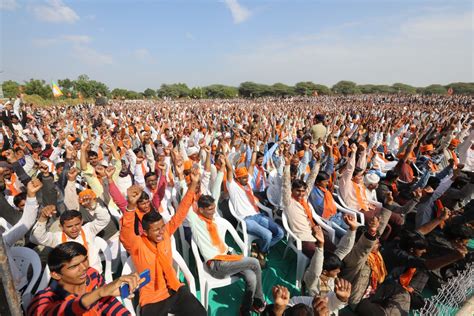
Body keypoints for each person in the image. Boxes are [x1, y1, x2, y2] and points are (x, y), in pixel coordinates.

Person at [119, 170, 206, 316]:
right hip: (152, 298)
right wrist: (131, 206)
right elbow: (126, 233)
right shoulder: (137, 245)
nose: (161, 232)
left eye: (161, 227)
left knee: (200, 313)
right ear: (145, 232)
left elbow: (181, 212)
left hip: (175, 289)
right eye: (156, 230)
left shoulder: (165, 233)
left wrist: (193, 184)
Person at [188, 194, 266, 315]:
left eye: (214, 208)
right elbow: (185, 204)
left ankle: (245, 309)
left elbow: (216, 189)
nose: (214, 211)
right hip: (217, 265)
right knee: (255, 262)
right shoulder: (196, 222)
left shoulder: (211, 220)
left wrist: (220, 174)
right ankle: (260, 301)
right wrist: (187, 182)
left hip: (228, 257)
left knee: (251, 277)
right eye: (210, 209)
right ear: (201, 210)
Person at [27, 242, 138, 315]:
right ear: (56, 274)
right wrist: (98, 293)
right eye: (74, 266)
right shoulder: (43, 299)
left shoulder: (92, 275)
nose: (84, 268)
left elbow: (107, 303)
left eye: (85, 260)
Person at [30, 190, 111, 273]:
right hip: (72, 280)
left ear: (82, 222)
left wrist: (94, 206)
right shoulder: (57, 238)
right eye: (69, 226)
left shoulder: (88, 230)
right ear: (61, 227)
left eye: (77, 224)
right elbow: (36, 238)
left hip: (94, 273)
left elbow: (104, 219)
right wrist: (43, 217)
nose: (74, 229)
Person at [226, 156, 284, 267]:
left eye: (246, 177)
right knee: (268, 235)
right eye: (243, 178)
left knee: (280, 233)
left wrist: (253, 150)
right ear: (237, 179)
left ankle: (260, 248)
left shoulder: (247, 184)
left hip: (258, 215)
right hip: (246, 219)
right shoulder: (233, 187)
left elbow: (252, 164)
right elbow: (229, 169)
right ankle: (263, 253)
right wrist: (225, 153)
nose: (246, 179)